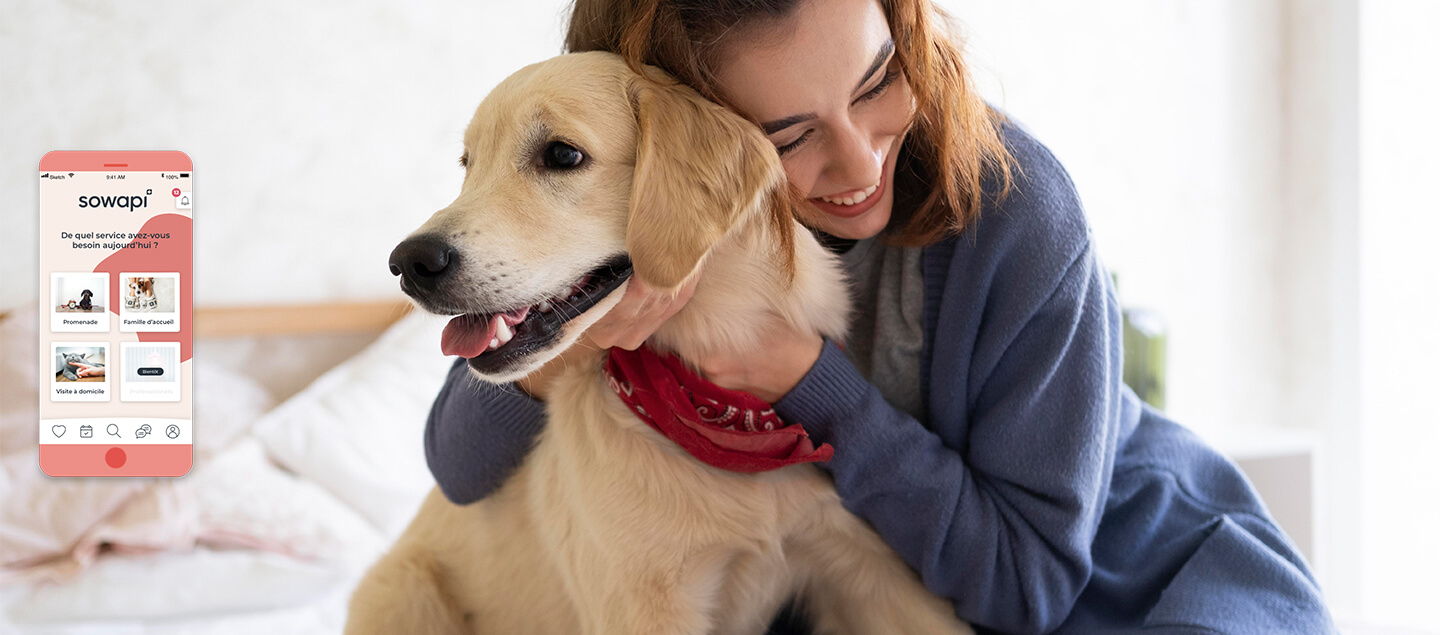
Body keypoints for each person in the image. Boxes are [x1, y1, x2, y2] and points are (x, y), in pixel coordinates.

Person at [423, 0, 1337, 632]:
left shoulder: (1017, 206)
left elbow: (1031, 584)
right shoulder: (634, 235)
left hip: (1132, 574)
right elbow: (458, 465)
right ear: (687, 142)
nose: (859, 162)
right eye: (787, 135)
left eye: (876, 79)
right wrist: (569, 344)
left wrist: (809, 384)